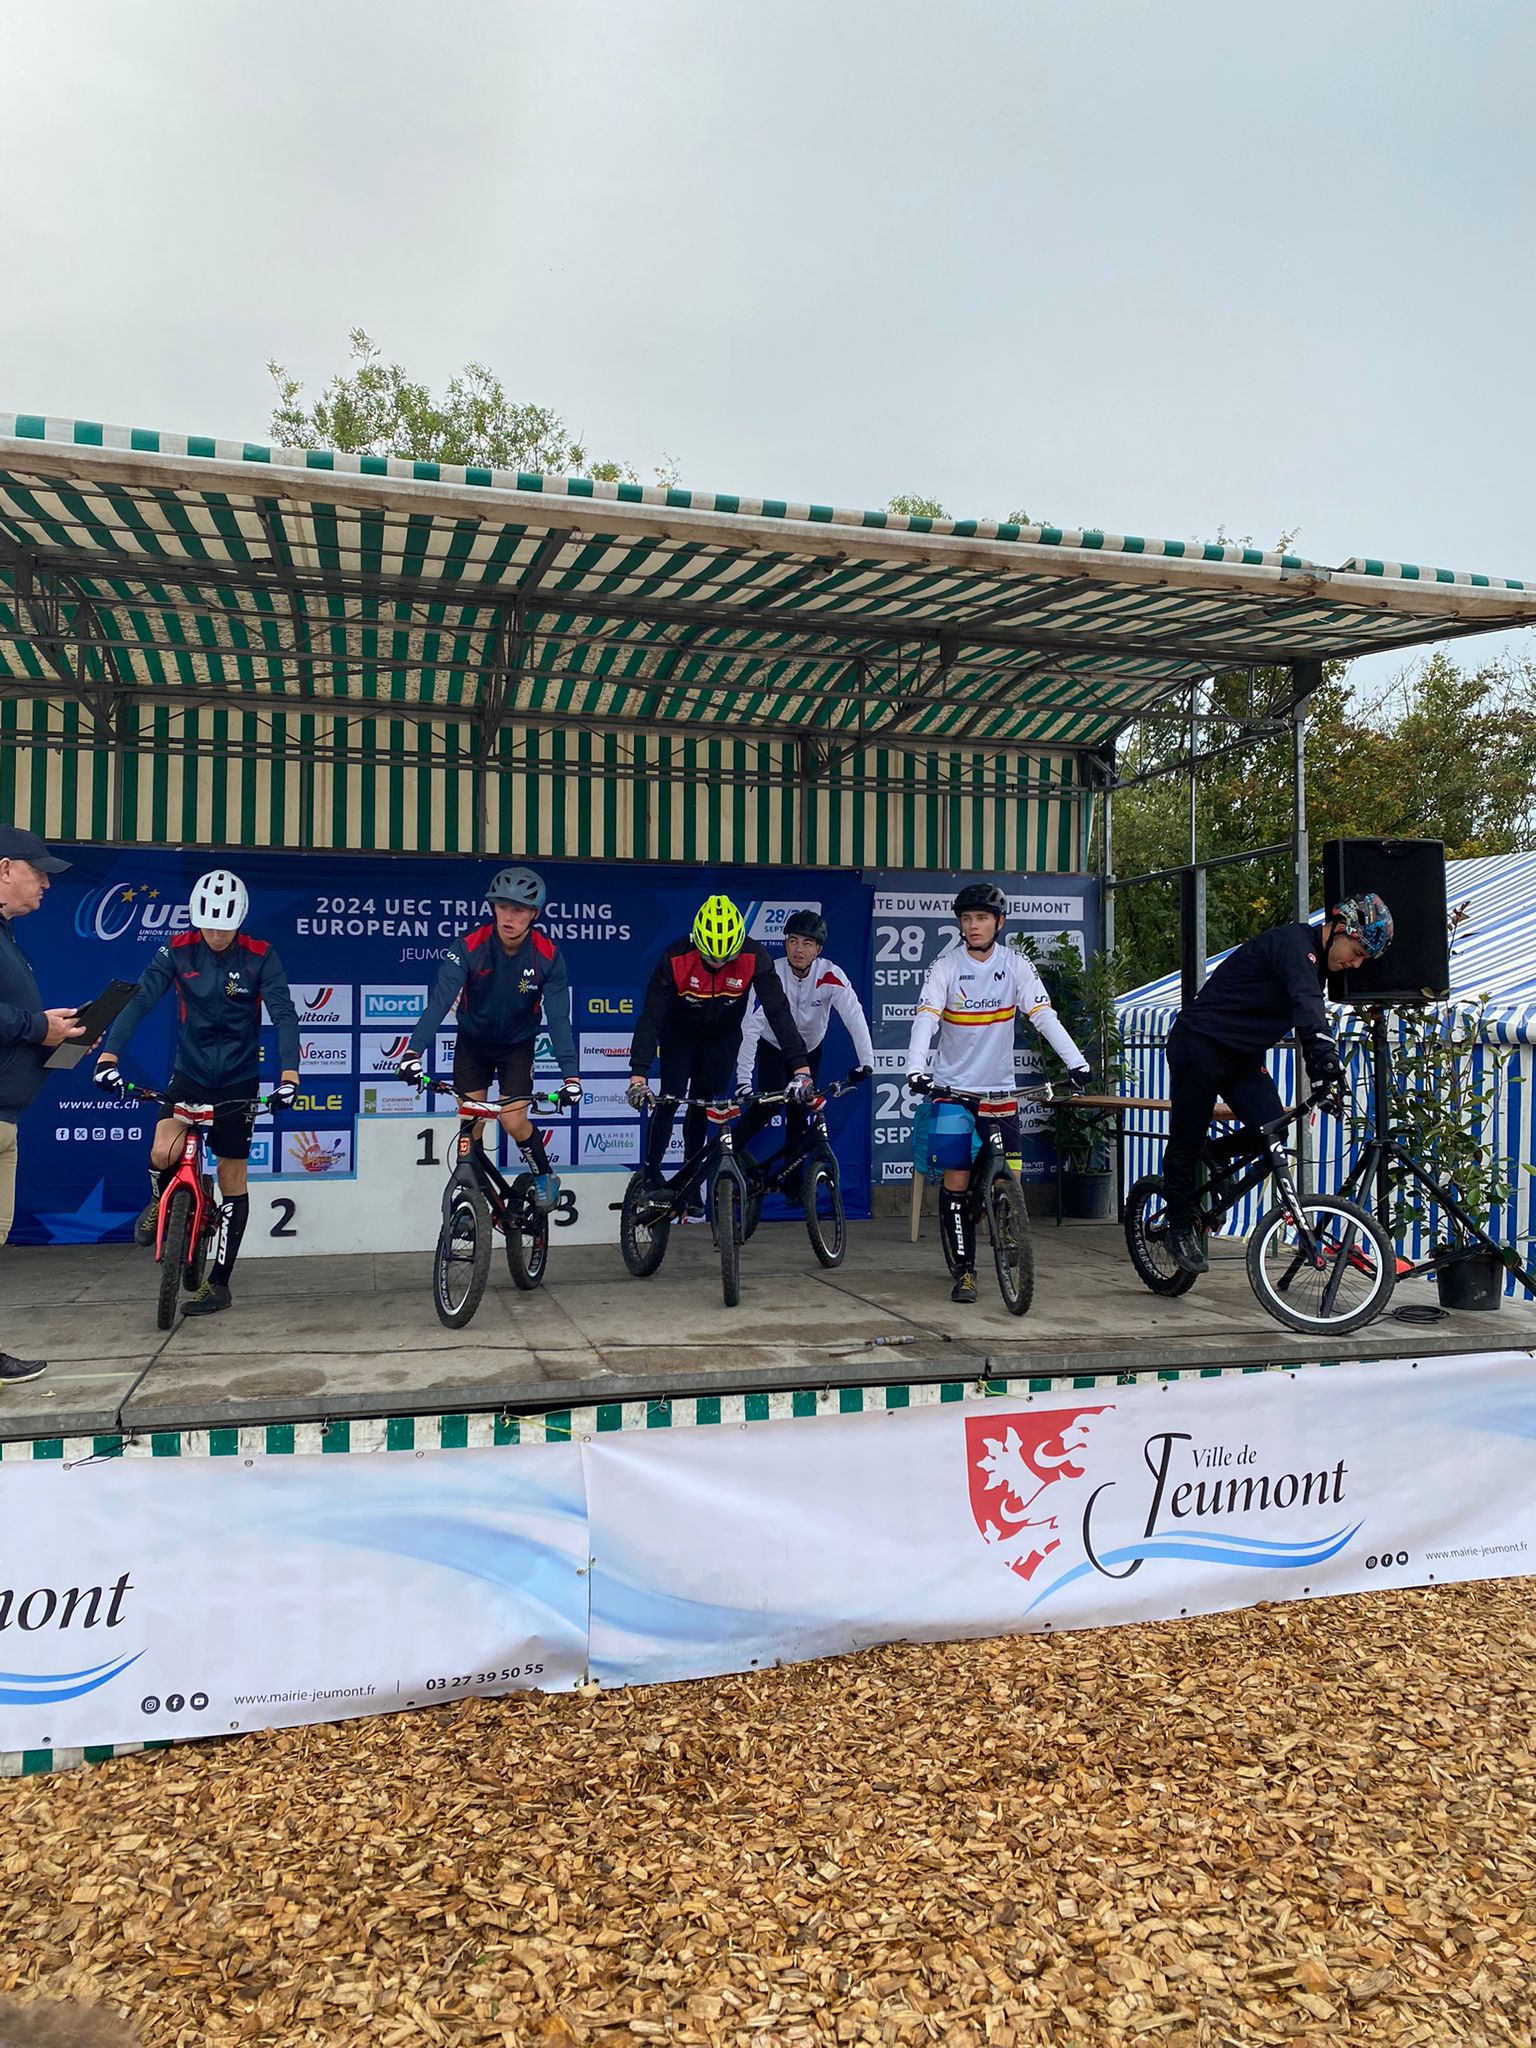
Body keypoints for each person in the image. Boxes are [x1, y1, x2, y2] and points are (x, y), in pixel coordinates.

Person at [95, 868, 300, 1317]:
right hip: (189, 1072)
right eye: (208, 924)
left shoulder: (261, 956)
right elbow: (140, 1000)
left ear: (239, 920)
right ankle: (157, 1200)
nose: (216, 933)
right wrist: (109, 1056)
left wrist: (290, 1073)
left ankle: (220, 1284)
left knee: (231, 1177)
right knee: (163, 1150)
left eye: (224, 926)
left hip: (239, 1079)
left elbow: (284, 1014)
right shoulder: (178, 949)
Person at [1160, 891, 1393, 1275]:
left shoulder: (1321, 966)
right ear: (1338, 927)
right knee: (1186, 1139)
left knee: (1273, 1135)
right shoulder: (1294, 946)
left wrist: (1326, 1080)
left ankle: (1216, 1154)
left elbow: (1308, 1011)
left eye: (1365, 958)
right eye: (1357, 950)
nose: (1356, 962)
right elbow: (1307, 1007)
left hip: (1242, 1057)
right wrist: (1325, 1060)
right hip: (1199, 1043)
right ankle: (1179, 1227)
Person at [905, 882, 1092, 1304]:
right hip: (952, 1093)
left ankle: (1008, 1238)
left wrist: (1076, 1062)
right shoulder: (945, 968)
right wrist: (915, 1068)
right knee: (956, 1180)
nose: (973, 925)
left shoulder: (1016, 965)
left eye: (982, 918)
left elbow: (1044, 1016)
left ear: (999, 923)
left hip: (1000, 1093)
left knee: (1013, 1179)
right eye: (967, 919)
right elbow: (926, 1020)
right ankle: (965, 1271)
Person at [397, 865, 581, 1212]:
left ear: (534, 915)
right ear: (492, 907)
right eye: (502, 906)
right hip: (473, 1045)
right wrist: (412, 1052)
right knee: (471, 1127)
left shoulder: (548, 956)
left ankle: (543, 1174)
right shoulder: (469, 947)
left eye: (519, 909)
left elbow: (558, 1019)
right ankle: (476, 1207)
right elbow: (439, 1002)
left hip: (517, 1046)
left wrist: (570, 1076)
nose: (509, 916)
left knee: (513, 1121)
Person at [627, 894, 814, 1202]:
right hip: (680, 1036)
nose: (719, 964)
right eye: (711, 958)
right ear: (698, 943)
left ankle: (690, 1184)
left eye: (726, 958)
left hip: (722, 1039)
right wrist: (638, 1074)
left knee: (702, 1103)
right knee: (670, 1099)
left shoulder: (755, 957)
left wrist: (800, 1067)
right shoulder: (675, 958)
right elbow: (651, 1019)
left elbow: (778, 1011)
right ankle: (650, 1174)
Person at [0, 826, 83, 1383]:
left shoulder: (7, 938)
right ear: (5, 868)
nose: (47, 884)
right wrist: (37, 1025)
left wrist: (64, 1033)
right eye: (39, 872)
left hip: (8, 1117)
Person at [734, 908, 875, 1175]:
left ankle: (794, 1185)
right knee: (766, 1106)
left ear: (818, 949)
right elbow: (750, 1027)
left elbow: (854, 1017)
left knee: (799, 1114)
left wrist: (867, 1061)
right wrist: (743, 1080)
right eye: (793, 941)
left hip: (809, 1052)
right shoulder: (770, 973)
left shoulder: (831, 974)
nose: (798, 949)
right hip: (773, 1048)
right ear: (785, 943)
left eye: (807, 943)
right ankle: (728, 1157)